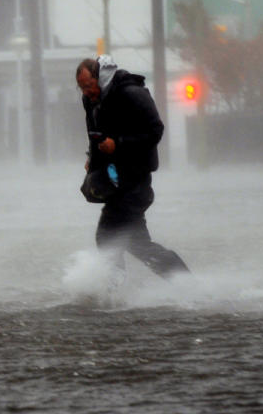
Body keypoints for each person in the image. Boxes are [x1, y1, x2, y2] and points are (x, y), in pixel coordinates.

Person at [76, 55, 189, 279]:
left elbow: (155, 130)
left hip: (136, 181)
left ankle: (113, 292)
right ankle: (182, 282)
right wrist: (93, 157)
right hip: (115, 180)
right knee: (137, 244)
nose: (86, 92)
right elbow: (96, 134)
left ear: (102, 77)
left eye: (89, 86)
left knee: (108, 236)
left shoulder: (131, 94)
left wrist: (118, 144)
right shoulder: (91, 100)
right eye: (81, 88)